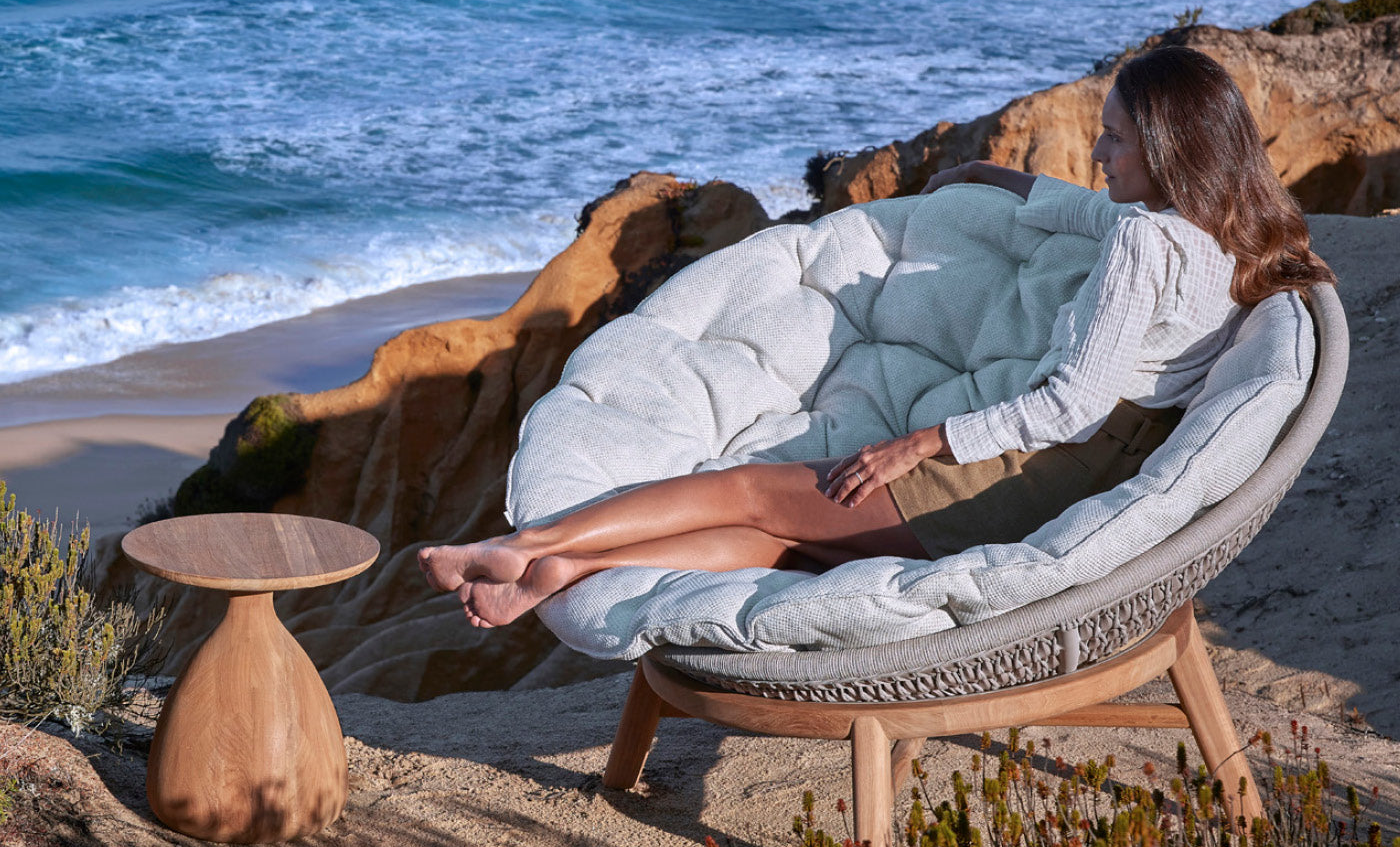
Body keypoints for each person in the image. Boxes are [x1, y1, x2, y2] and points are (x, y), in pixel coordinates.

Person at [419, 45, 1334, 628]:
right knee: (784, 536)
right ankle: (558, 570)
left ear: (1170, 149)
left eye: (1116, 140)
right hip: (1086, 471)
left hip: (1021, 476)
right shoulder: (1233, 231)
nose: (1099, 156)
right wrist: (998, 178)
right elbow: (1098, 225)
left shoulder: (1146, 237)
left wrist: (920, 444)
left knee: (742, 487)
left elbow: (1074, 400)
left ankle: (526, 544)